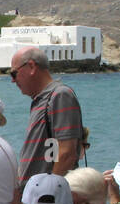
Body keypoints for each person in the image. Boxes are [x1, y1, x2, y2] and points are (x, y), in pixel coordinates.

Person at [10, 46, 84, 190]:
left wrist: (49, 192)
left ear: (31, 66)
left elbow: (66, 153)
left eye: (14, 74)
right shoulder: (43, 100)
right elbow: (55, 149)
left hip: (45, 199)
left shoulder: (59, 95)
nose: (13, 81)